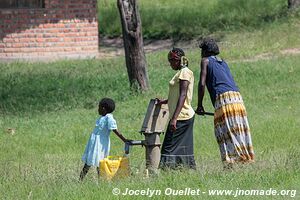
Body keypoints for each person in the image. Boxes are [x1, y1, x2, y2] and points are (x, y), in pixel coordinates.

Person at [195, 38, 254, 167]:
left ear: (205, 51)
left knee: (223, 130)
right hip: (237, 97)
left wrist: (199, 105)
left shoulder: (205, 61)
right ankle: (245, 159)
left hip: (224, 98)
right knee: (238, 129)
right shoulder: (223, 62)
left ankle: (230, 162)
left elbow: (202, 83)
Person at [157, 47, 196, 170]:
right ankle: (183, 170)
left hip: (182, 116)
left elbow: (183, 95)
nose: (170, 64)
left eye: (171, 61)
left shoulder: (185, 72)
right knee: (182, 146)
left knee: (168, 146)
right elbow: (178, 94)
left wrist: (174, 118)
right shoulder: (180, 72)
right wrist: (165, 101)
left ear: (177, 60)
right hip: (181, 115)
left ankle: (164, 171)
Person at [79, 98, 129, 181]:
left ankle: (98, 180)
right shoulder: (102, 117)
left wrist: (124, 140)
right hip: (94, 142)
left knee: (100, 162)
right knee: (89, 160)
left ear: (103, 109)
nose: (97, 109)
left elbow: (115, 130)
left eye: (99, 107)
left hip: (100, 143)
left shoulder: (109, 118)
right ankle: (81, 180)